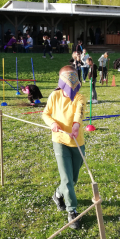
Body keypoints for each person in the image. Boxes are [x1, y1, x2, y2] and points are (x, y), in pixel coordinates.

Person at [42, 66, 85, 229]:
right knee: (67, 179)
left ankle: (58, 194)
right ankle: (72, 211)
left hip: (77, 143)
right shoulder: (54, 96)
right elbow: (45, 114)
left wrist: (75, 126)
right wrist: (52, 123)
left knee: (72, 179)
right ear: (61, 85)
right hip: (60, 141)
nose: (70, 92)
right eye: (68, 89)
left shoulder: (80, 98)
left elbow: (78, 113)